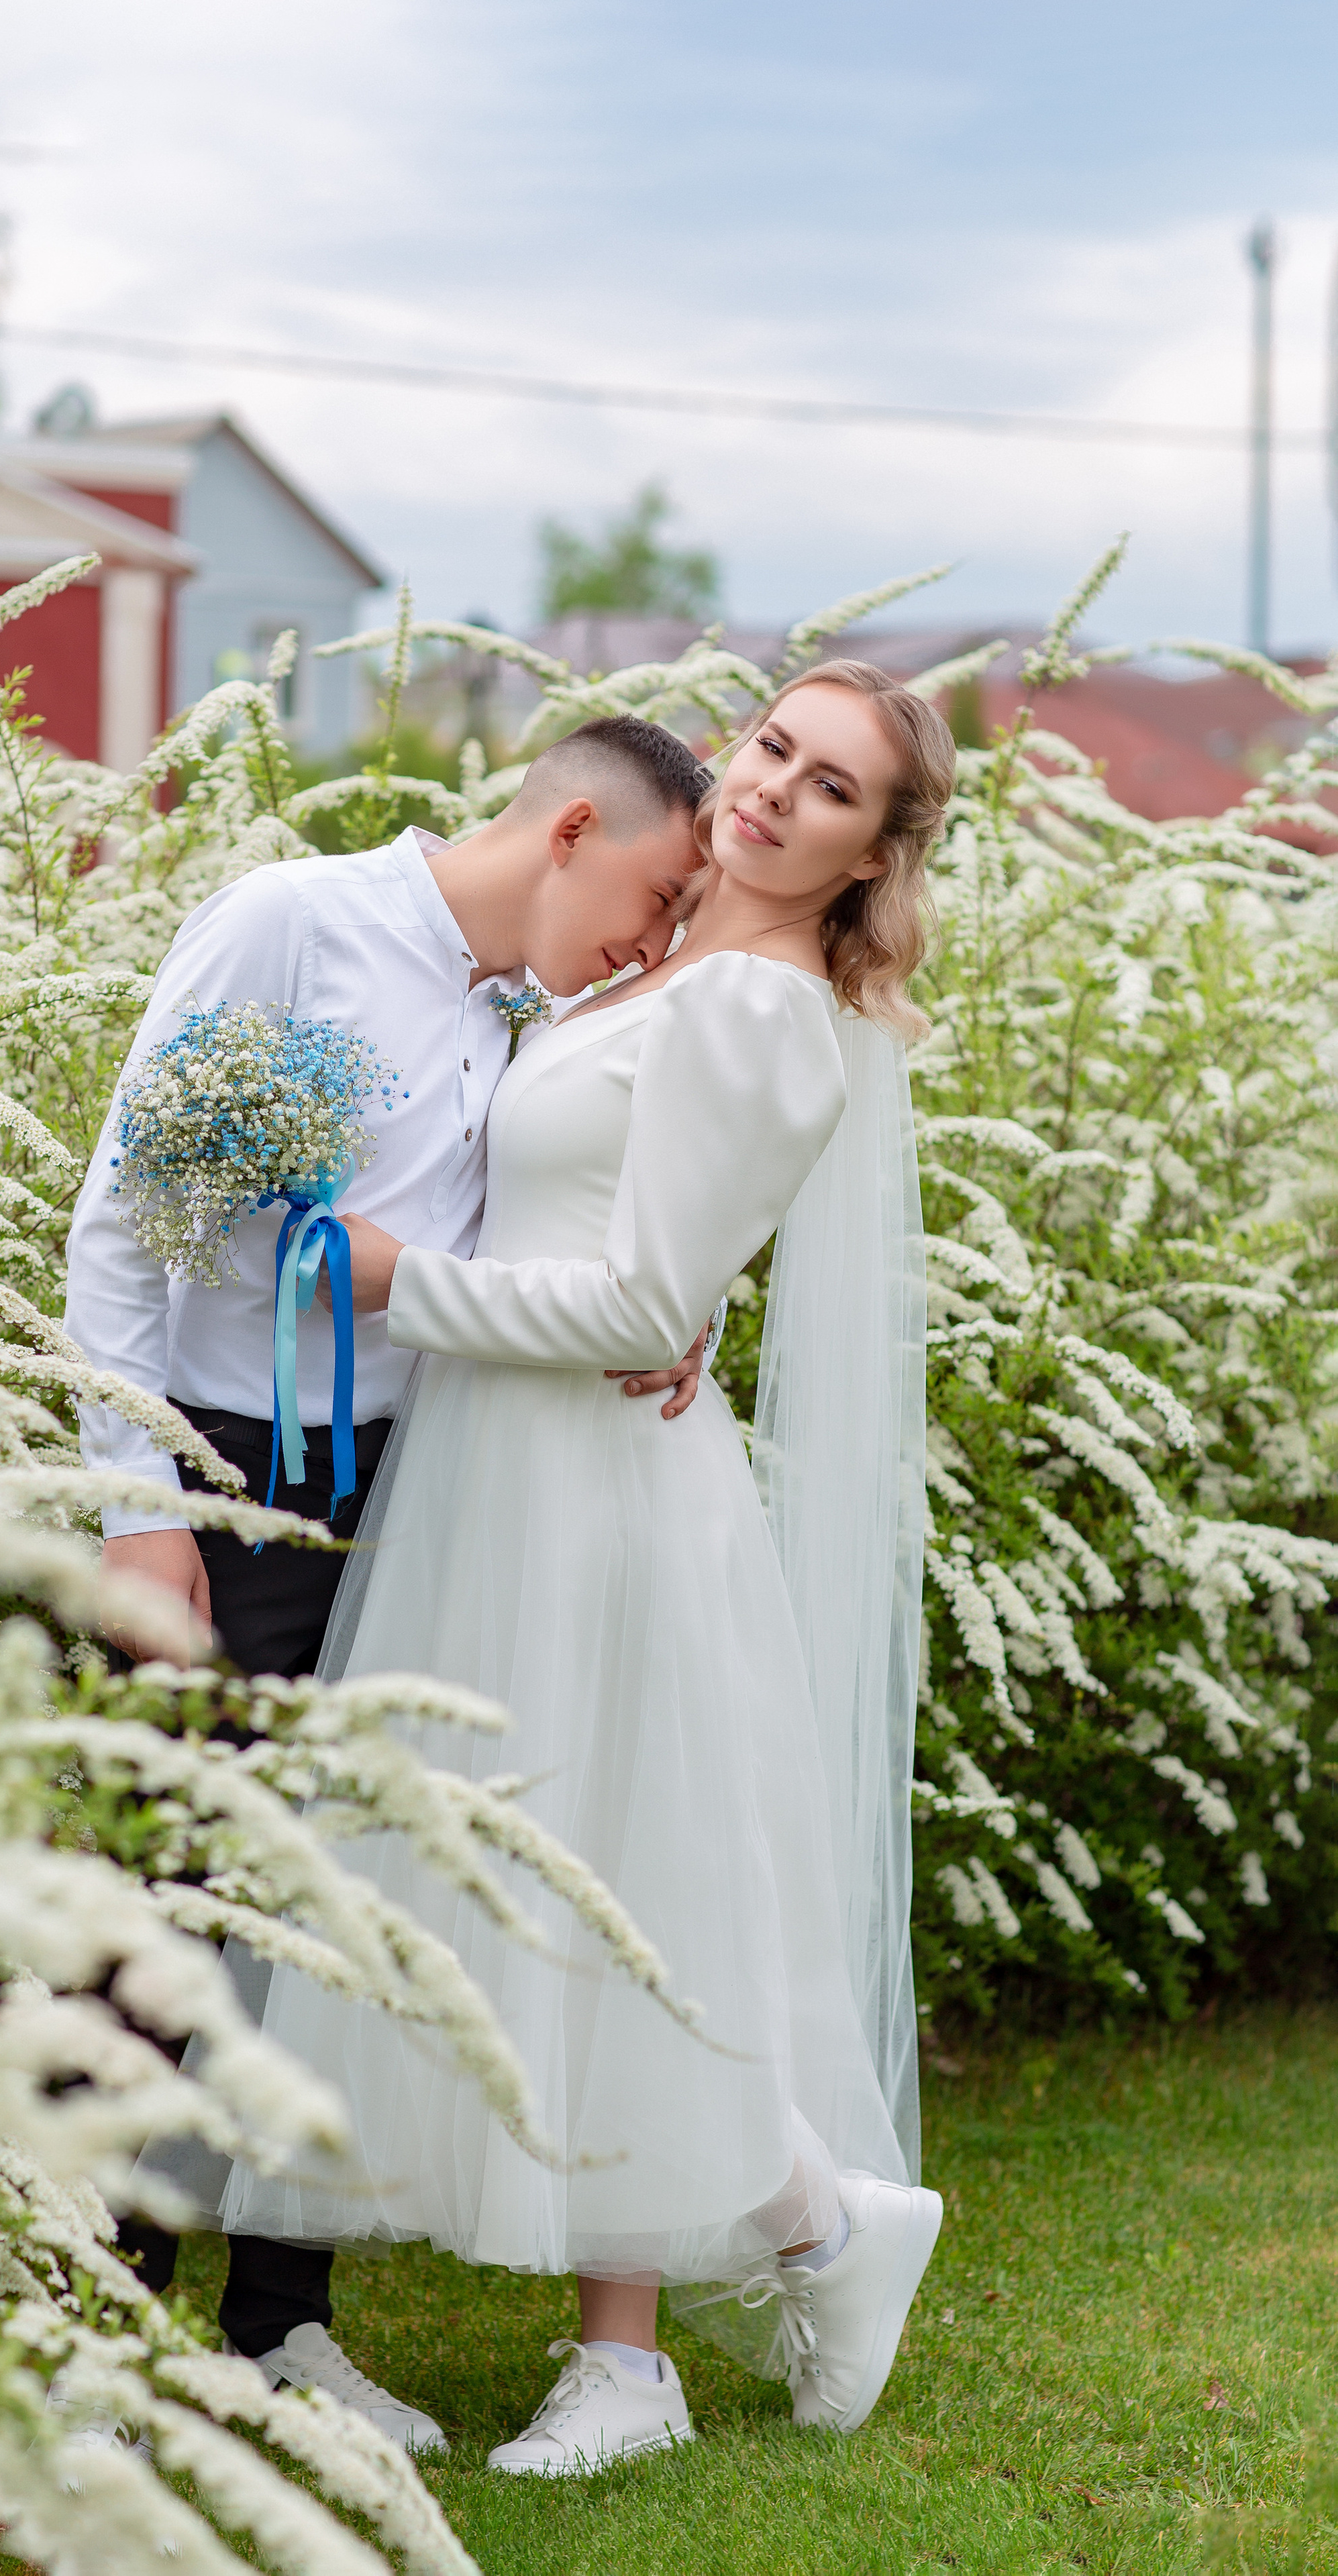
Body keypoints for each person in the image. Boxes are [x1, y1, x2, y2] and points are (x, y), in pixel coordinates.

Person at [221, 661, 955, 2473]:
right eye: (775, 745)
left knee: (611, 1902)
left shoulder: (768, 1014)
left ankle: (759, 2264)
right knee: (541, 1893)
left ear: (873, 853)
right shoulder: (662, 963)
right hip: (505, 1465)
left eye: (834, 788)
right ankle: (757, 2267)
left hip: (602, 1487)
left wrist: (394, 1284)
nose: (779, 789)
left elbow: (645, 1303)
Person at [63, 713, 714, 2451]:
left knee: (330, 1924)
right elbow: (118, 1222)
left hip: (411, 1497)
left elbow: (508, 1246)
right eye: (651, 902)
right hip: (219, 1471)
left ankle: (280, 2326)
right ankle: (83, 2325)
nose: (649, 951)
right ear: (571, 826)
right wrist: (139, 1505)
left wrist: (671, 1311)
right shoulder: (296, 920)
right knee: (161, 1904)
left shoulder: (526, 1015)